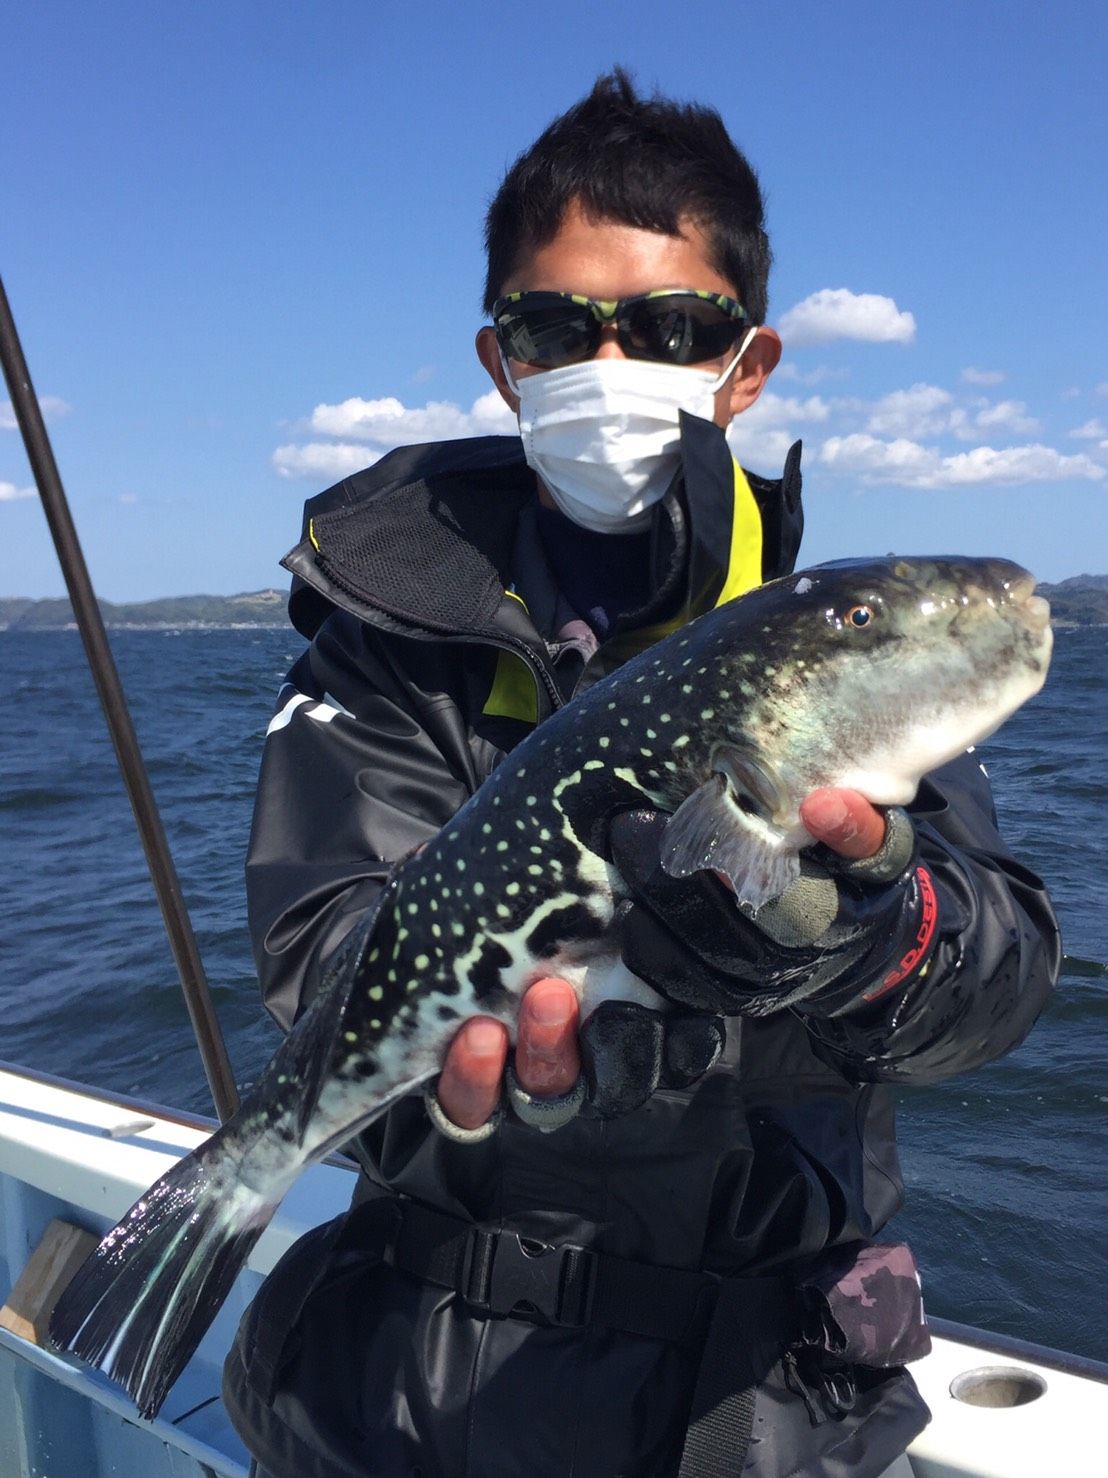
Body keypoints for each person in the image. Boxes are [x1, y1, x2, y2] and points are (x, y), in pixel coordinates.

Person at [223, 71, 1060, 1478]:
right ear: (504, 360)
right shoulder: (385, 649)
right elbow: (328, 948)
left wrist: (874, 934)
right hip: (406, 1389)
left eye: (673, 327)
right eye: (558, 328)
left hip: (755, 1403)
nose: (612, 363)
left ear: (747, 362)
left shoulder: (824, 654)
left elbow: (1002, 963)